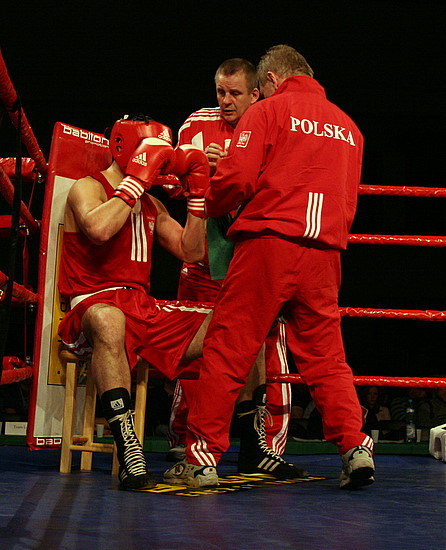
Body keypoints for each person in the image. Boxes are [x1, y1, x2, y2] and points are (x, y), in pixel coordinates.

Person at [164, 44, 374, 490]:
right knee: (327, 357)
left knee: (228, 347)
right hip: (324, 254)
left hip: (269, 245)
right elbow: (347, 197)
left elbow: (236, 180)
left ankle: (201, 458)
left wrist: (212, 199)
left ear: (273, 80)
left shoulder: (267, 111)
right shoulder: (349, 128)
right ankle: (356, 448)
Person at [57, 113, 218, 491]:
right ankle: (129, 447)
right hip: (92, 306)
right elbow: (98, 229)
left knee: (233, 320)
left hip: (141, 307)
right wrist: (136, 182)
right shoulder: (88, 187)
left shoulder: (152, 205)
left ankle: (209, 448)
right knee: (110, 319)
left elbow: (191, 252)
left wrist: (198, 199)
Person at [165, 58, 295, 475]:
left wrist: (233, 171)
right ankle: (185, 439)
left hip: (254, 257)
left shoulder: (273, 122)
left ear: (255, 93)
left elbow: (282, 189)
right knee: (191, 345)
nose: (225, 101)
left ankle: (261, 446)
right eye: (220, 92)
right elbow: (170, 185)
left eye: (235, 93)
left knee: (263, 348)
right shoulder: (196, 124)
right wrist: (199, 167)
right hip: (204, 259)